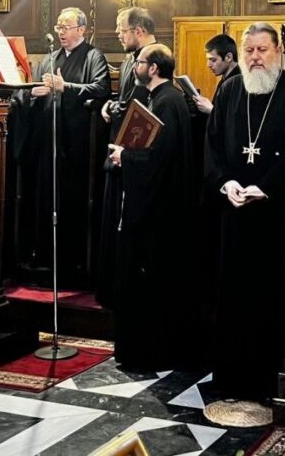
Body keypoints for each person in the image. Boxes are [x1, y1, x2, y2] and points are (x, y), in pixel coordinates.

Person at [204, 22, 285, 408]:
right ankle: (230, 377)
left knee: (268, 295)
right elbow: (212, 144)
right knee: (232, 294)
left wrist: (266, 186)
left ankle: (266, 379)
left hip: (276, 213)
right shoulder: (230, 89)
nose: (254, 58)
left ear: (278, 51)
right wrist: (225, 183)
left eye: (262, 50)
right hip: (234, 211)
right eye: (248, 50)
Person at [106, 43, 196, 369]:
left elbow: (159, 158)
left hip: (158, 212)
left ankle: (148, 352)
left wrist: (124, 157)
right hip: (160, 206)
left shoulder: (166, 102)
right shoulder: (163, 99)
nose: (135, 67)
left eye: (139, 62)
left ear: (154, 68)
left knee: (150, 283)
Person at [12, 7, 109, 287]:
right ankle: (43, 258)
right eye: (58, 27)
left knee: (70, 201)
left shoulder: (93, 56)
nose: (61, 32)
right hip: (47, 141)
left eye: (66, 27)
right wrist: (34, 92)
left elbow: (100, 89)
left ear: (82, 29)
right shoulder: (49, 58)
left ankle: (71, 263)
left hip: (76, 144)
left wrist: (65, 86)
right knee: (45, 197)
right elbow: (31, 90)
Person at [95, 7, 158, 304]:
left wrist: (114, 107)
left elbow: (140, 104)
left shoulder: (151, 60)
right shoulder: (133, 58)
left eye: (121, 30)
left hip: (134, 153)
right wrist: (111, 105)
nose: (118, 35)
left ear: (138, 31)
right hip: (120, 149)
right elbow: (124, 98)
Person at [193, 34, 240, 115]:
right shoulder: (225, 80)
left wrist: (211, 109)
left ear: (228, 57)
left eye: (213, 60)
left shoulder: (239, 82)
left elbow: (235, 118)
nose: (208, 65)